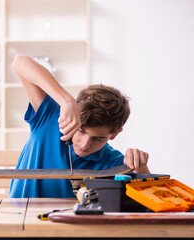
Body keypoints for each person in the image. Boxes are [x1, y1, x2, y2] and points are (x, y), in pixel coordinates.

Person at [9, 54, 150, 198]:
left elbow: (152, 200)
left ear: (114, 134)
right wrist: (66, 101)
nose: (85, 143)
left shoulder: (115, 163)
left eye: (98, 139)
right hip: (17, 216)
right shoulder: (50, 117)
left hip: (63, 220)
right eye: (81, 131)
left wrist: (142, 168)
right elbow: (20, 62)